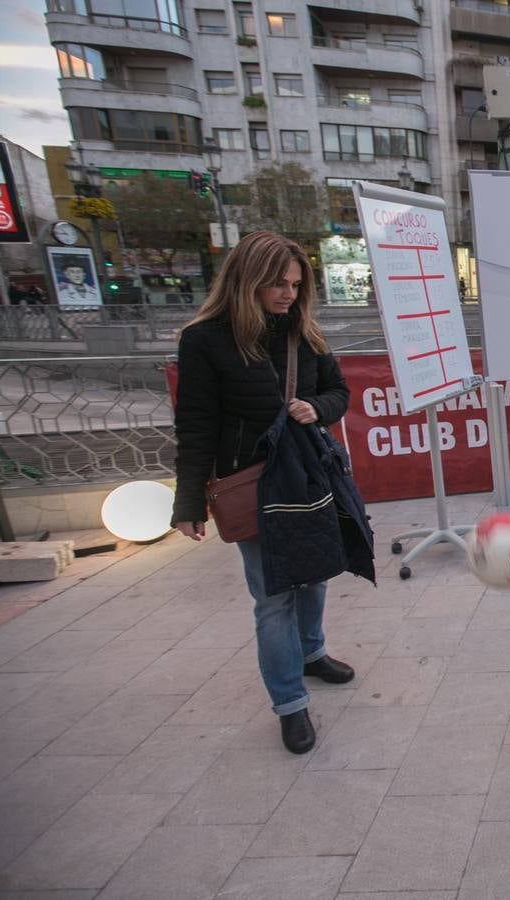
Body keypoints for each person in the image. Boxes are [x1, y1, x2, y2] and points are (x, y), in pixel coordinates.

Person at [171, 231, 358, 756]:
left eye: (296, 285)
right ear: (247, 279)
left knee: (317, 573)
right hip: (249, 485)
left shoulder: (305, 331)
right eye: (277, 284)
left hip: (307, 477)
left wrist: (316, 409)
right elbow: (196, 425)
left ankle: (312, 652)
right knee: (273, 598)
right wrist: (188, 502)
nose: (288, 295)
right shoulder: (206, 339)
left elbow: (338, 393)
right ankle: (289, 705)